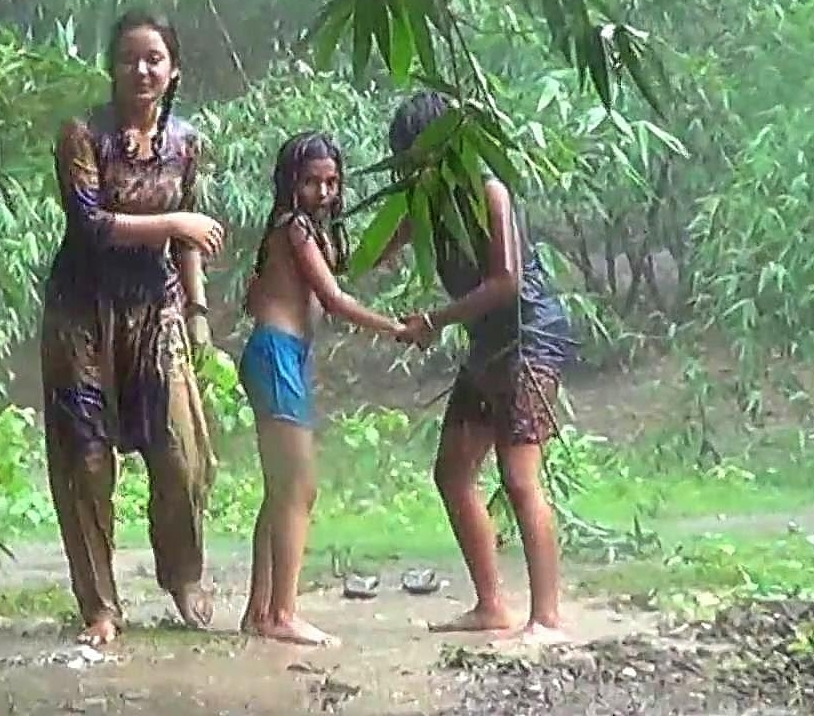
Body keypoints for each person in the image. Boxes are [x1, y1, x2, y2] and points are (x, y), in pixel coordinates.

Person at [40, 9, 226, 647]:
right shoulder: (82, 135)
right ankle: (100, 606)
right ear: (111, 67)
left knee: (183, 453)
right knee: (84, 462)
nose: (142, 70)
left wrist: (198, 312)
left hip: (158, 309)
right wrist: (175, 224)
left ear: (173, 68)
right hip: (81, 314)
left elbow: (190, 239)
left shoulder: (187, 143)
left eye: (154, 58)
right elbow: (91, 226)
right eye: (129, 58)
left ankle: (183, 575)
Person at [388, 91, 579, 643]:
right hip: (487, 346)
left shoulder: (488, 192)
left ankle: (546, 618)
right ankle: (492, 604)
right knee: (453, 471)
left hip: (528, 337)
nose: (410, 171)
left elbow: (507, 282)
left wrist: (435, 319)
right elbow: (378, 250)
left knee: (519, 478)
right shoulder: (429, 206)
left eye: (415, 158)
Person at [239, 132, 410, 647]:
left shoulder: (312, 232)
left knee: (282, 491)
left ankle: (260, 611)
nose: (323, 191)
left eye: (332, 181)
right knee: (298, 489)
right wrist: (398, 328)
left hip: (284, 356)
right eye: (311, 181)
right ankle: (282, 613)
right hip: (275, 355)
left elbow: (342, 269)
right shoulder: (293, 227)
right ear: (291, 182)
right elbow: (333, 298)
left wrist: (402, 234)